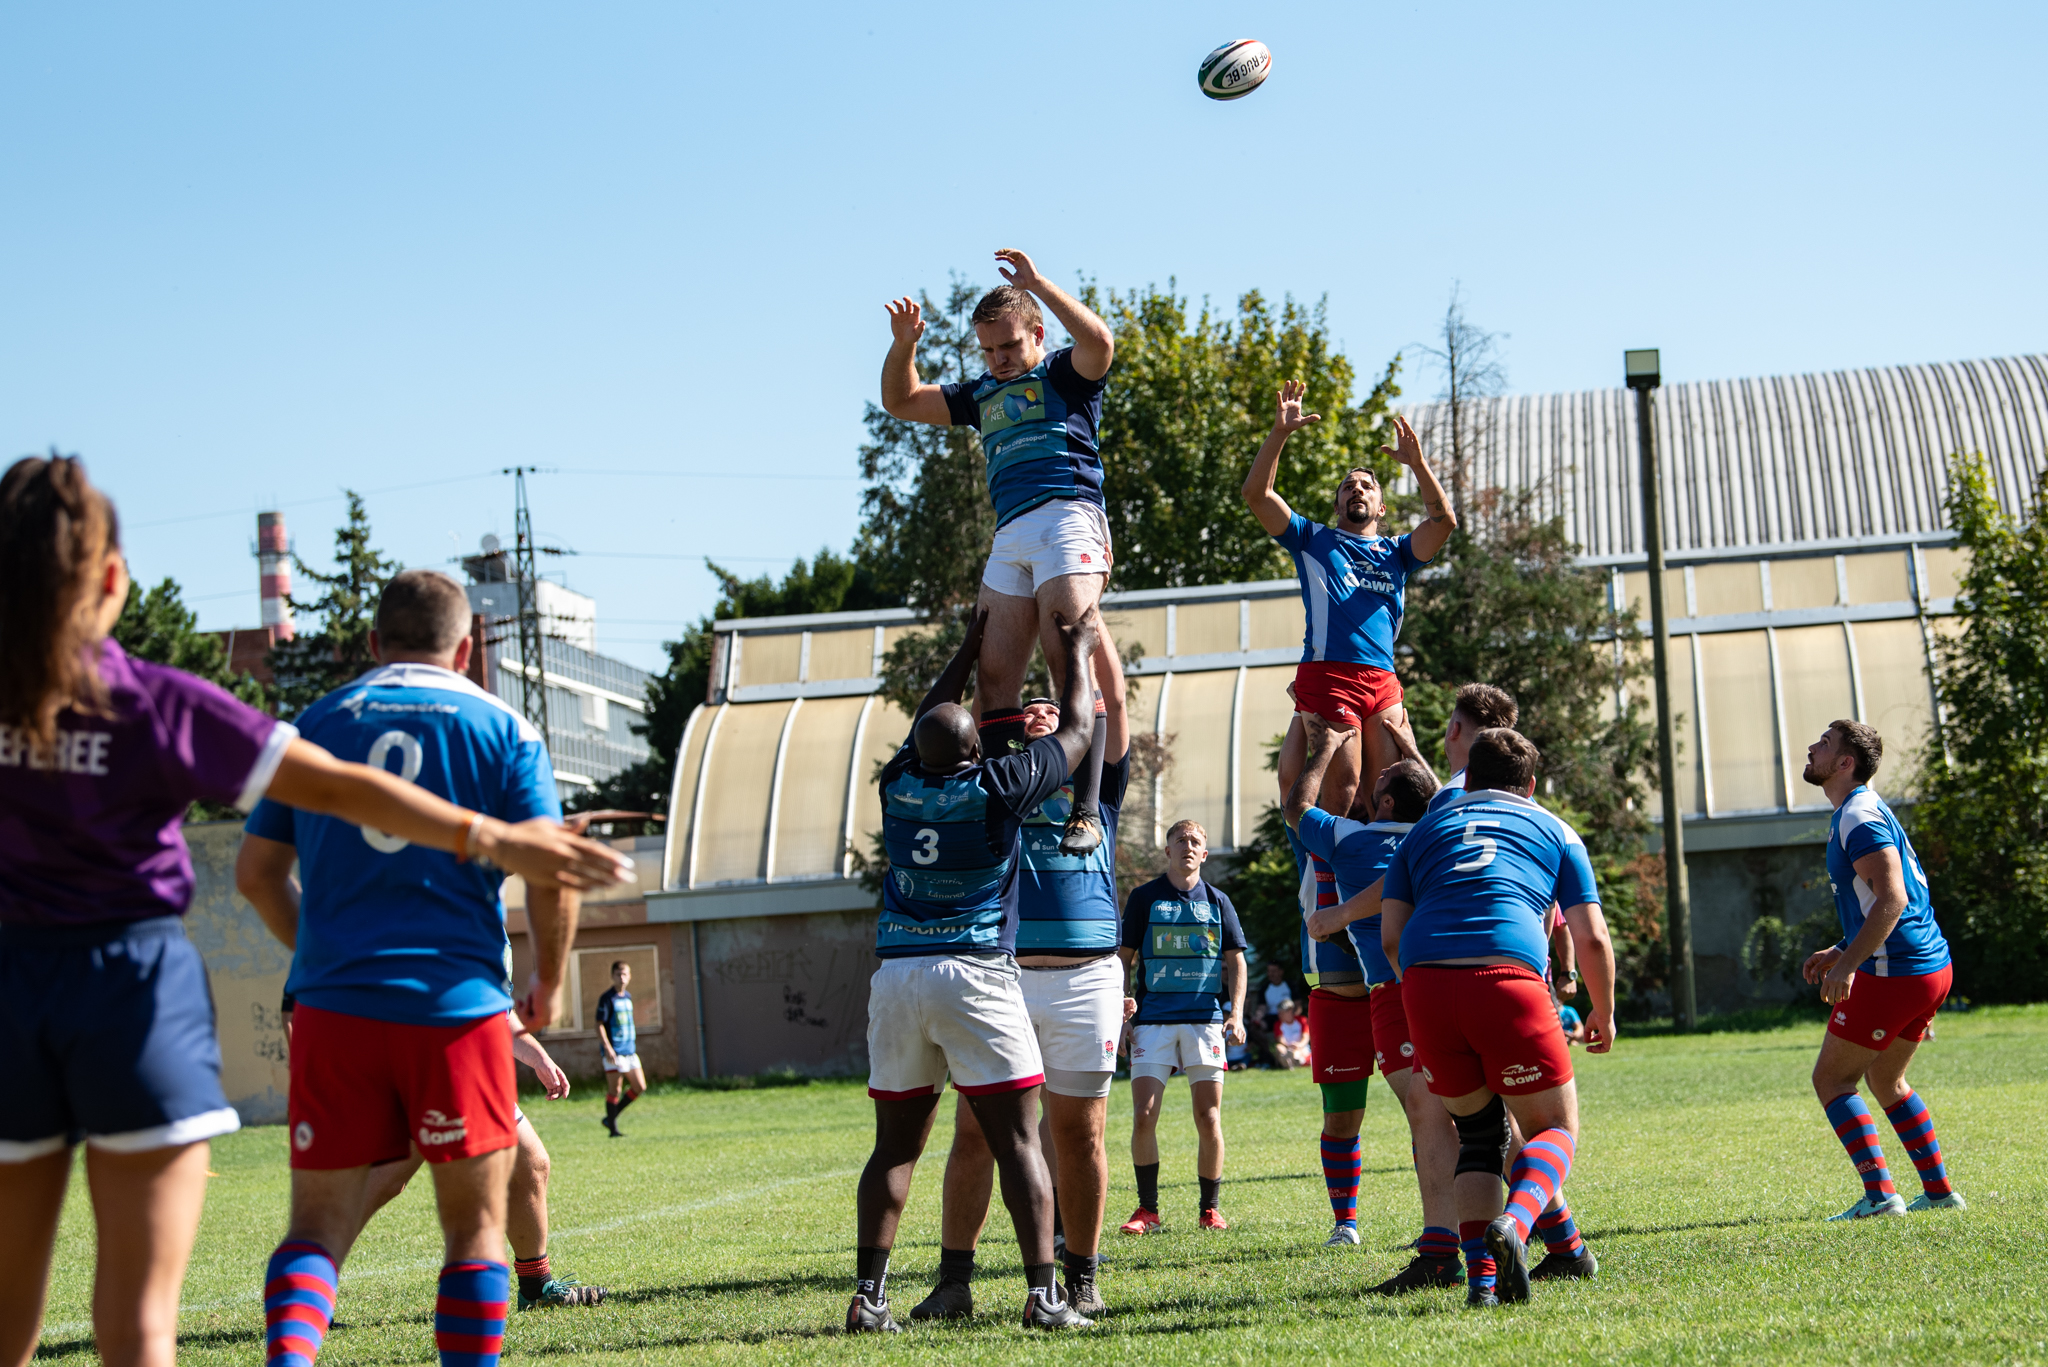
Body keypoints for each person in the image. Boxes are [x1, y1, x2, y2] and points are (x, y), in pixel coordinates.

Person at [0, 457, 627, 1367]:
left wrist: (322, 952)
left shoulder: (329, 711)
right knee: (142, 1324)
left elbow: (262, 869)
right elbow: (341, 790)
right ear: (109, 577)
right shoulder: (154, 701)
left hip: (43, 992)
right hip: (146, 997)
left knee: (24, 1311)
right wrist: (493, 840)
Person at [241, 567, 633, 1367]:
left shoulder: (316, 723)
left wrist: (321, 956)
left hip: (335, 1006)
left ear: (374, 643)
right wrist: (549, 982)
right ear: (465, 650)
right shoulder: (505, 728)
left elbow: (256, 873)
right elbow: (549, 871)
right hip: (457, 1008)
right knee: (473, 1231)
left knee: (315, 1228)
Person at [849, 607, 1100, 1334]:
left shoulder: (897, 782)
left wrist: (967, 647)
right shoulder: (999, 786)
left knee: (894, 1146)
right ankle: (1045, 1298)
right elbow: (1078, 730)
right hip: (974, 972)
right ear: (976, 749)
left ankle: (868, 1298)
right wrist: (1078, 651)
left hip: (898, 975)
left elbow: (930, 716)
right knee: (1018, 1141)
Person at [237, 824, 608, 1314]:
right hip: (432, 1065)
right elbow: (304, 992)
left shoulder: (481, 906)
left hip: (456, 1063)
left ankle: (534, 1287)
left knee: (518, 1166)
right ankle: (303, 1281)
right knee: (434, 1202)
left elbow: (490, 1008)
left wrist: (534, 1054)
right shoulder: (430, 896)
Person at [880, 249, 1123, 856]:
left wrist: (1038, 283)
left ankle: (1086, 811)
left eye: (1009, 346)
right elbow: (901, 401)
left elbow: (1101, 342)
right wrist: (904, 345)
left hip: (1068, 517)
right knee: (993, 682)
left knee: (1070, 658)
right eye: (988, 350)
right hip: (1010, 534)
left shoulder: (1065, 373)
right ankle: (1008, 806)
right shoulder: (978, 394)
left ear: (1037, 334)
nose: (999, 359)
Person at [910, 666, 1131, 1322]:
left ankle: (1081, 1277)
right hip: (1001, 976)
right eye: (1029, 712)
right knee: (974, 1132)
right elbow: (988, 704)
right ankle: (955, 1283)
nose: (1041, 714)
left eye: (1053, 709)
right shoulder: (1000, 782)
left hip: (1087, 977)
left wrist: (1088, 633)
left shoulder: (1099, 786)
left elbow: (1112, 701)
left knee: (1080, 1135)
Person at [1378, 728, 1617, 1307]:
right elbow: (1590, 936)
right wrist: (1603, 1011)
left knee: (1479, 1138)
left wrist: (1428, 994)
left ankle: (1482, 1285)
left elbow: (1391, 936)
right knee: (1554, 1129)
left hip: (1425, 985)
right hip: (1507, 980)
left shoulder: (1426, 828)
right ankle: (1516, 1221)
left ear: (1469, 781)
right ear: (1529, 786)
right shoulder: (1555, 829)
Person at [1241, 379, 1457, 823]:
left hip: (1383, 680)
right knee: (1343, 788)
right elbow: (1256, 495)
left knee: (1392, 795)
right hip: (1329, 674)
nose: (1357, 489)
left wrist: (1418, 464)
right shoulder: (1312, 539)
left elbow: (1444, 522)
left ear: (1381, 507)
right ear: (1337, 505)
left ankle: (1383, 869)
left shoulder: (1398, 552)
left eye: (1367, 486)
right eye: (1348, 486)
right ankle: (1320, 868)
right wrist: (1279, 433)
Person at [1288, 716, 1459, 1270]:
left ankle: (1453, 1225)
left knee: (1429, 1111)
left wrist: (1327, 744)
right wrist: (1411, 749)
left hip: (1396, 989)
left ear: (1385, 801)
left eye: (1378, 779)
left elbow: (1296, 803)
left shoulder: (1354, 838)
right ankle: (1349, 1223)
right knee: (1356, 1114)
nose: (1365, 778)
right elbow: (1445, 801)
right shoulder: (1428, 830)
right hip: (1344, 992)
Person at [1798, 720, 1963, 1219]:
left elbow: (1893, 899)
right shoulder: (1861, 810)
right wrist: (1842, 947)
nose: (1812, 747)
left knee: (1832, 1080)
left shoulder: (1858, 816)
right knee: (1887, 1080)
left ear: (1845, 763)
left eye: (1825, 743)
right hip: (1929, 968)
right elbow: (1883, 901)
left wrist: (1849, 965)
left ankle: (1880, 1196)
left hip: (1897, 971)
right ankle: (1939, 1193)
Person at [1117, 820, 1249, 1235]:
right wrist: (1121, 1013)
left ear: (1205, 854)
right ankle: (1147, 1211)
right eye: (1181, 841)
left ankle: (1210, 1210)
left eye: (1195, 842)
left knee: (1209, 1118)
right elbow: (1123, 958)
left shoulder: (1218, 901)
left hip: (1204, 1022)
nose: (1188, 847)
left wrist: (1235, 1014)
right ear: (1168, 851)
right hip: (1152, 1021)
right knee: (1144, 1116)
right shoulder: (1144, 898)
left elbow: (1236, 960)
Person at [594, 961, 645, 1138]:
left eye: (625, 974)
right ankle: (613, 1130)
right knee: (615, 1090)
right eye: (618, 974)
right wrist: (607, 1047)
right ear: (612, 976)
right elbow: (599, 1024)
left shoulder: (628, 997)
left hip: (629, 1050)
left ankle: (610, 1117)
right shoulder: (607, 998)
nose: (622, 978)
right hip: (614, 1051)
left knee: (640, 1086)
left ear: (629, 976)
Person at [1274, 1001, 1310, 1066]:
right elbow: (1280, 1039)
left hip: (1300, 1047)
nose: (1279, 1015)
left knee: (1297, 1052)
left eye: (1282, 1012)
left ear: (1290, 1011)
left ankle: (1293, 1061)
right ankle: (1288, 1062)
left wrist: (1299, 1045)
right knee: (1279, 1047)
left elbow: (1306, 1037)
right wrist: (1289, 1045)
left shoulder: (1301, 1020)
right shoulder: (1278, 1024)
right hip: (1287, 1047)